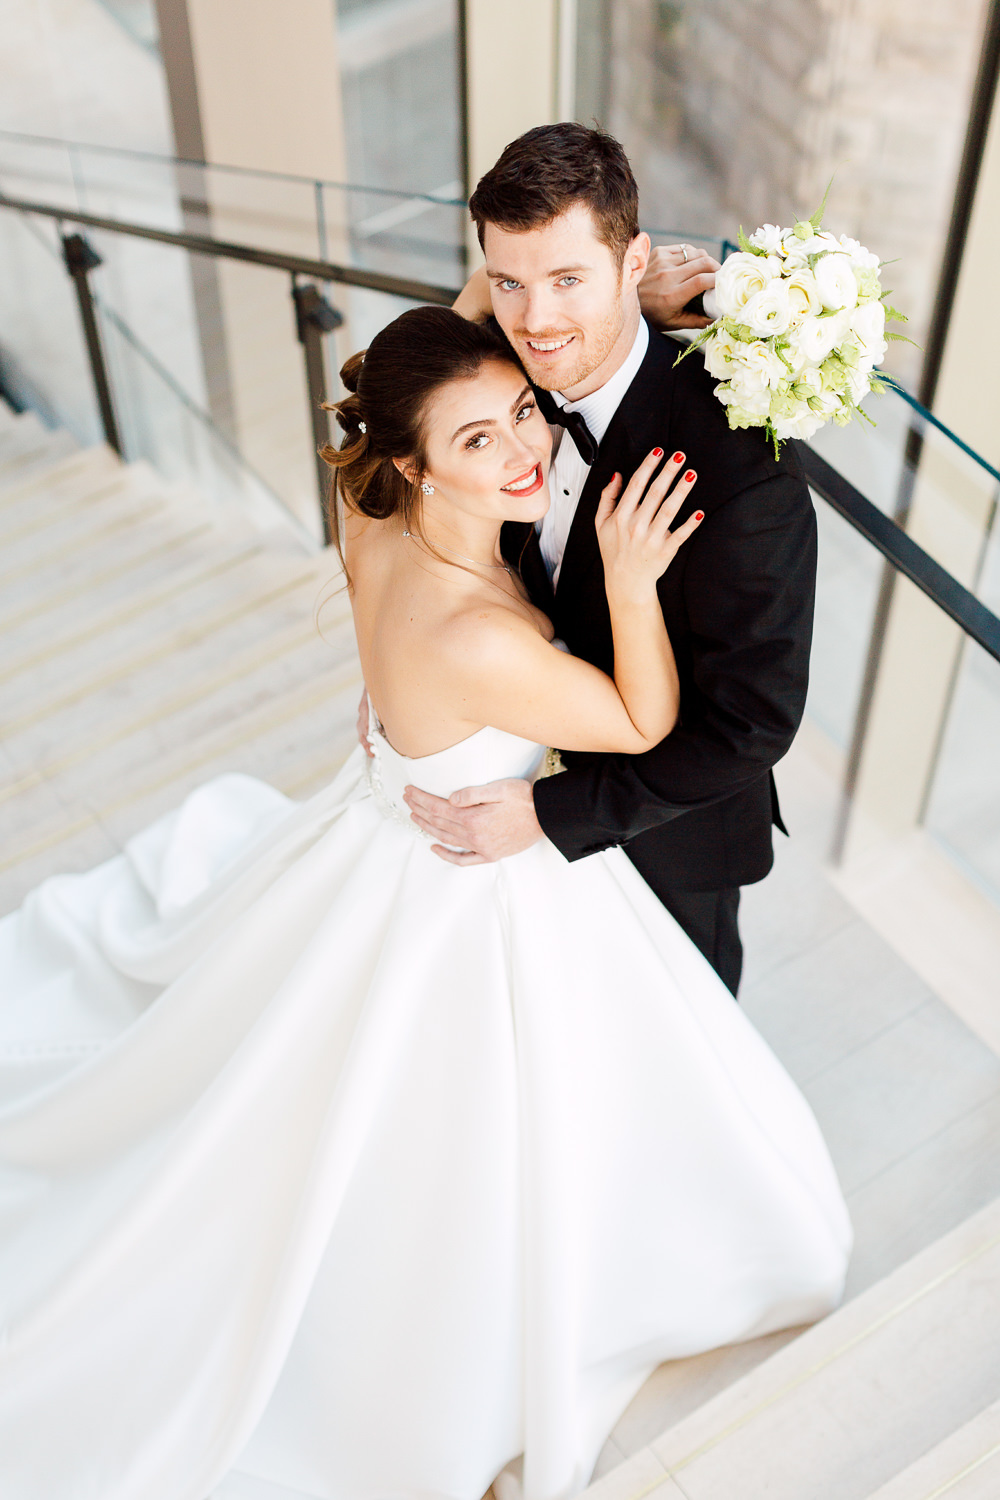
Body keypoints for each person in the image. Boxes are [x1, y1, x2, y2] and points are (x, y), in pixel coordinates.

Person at [0, 306, 850, 1500]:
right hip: (468, 886)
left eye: (518, 415)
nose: (523, 454)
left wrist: (570, 293)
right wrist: (629, 577)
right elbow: (645, 723)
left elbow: (451, 353)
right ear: (413, 460)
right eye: (477, 443)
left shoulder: (371, 513)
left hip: (386, 815)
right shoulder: (471, 634)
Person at [401, 124, 818, 999]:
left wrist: (552, 814)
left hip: (667, 835)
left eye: (567, 280)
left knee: (685, 1041)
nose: (536, 320)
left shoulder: (742, 469)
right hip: (515, 755)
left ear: (635, 264)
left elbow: (753, 722)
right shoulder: (495, 385)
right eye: (509, 282)